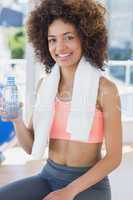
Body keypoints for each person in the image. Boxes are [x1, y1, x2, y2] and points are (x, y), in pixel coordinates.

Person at [0, 0, 122, 199]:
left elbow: (114, 157)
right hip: (48, 177)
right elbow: (31, 146)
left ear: (85, 38)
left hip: (89, 186)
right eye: (52, 40)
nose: (60, 47)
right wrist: (17, 120)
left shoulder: (105, 89)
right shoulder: (45, 86)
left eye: (69, 37)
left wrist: (69, 191)